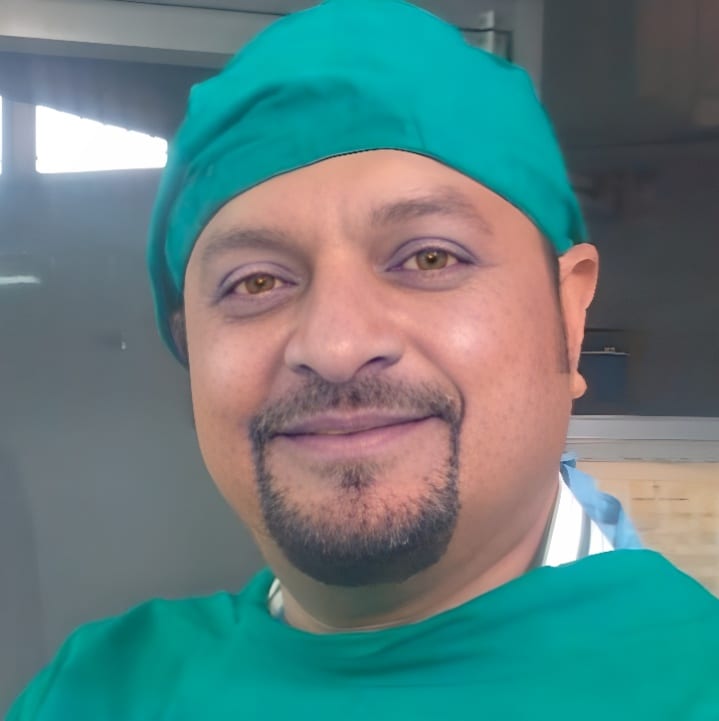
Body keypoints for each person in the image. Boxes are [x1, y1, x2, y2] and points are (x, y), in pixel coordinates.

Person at [8, 1, 718, 719]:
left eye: (430, 257)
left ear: (568, 316)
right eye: (256, 282)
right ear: (190, 346)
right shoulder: (95, 692)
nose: (336, 346)